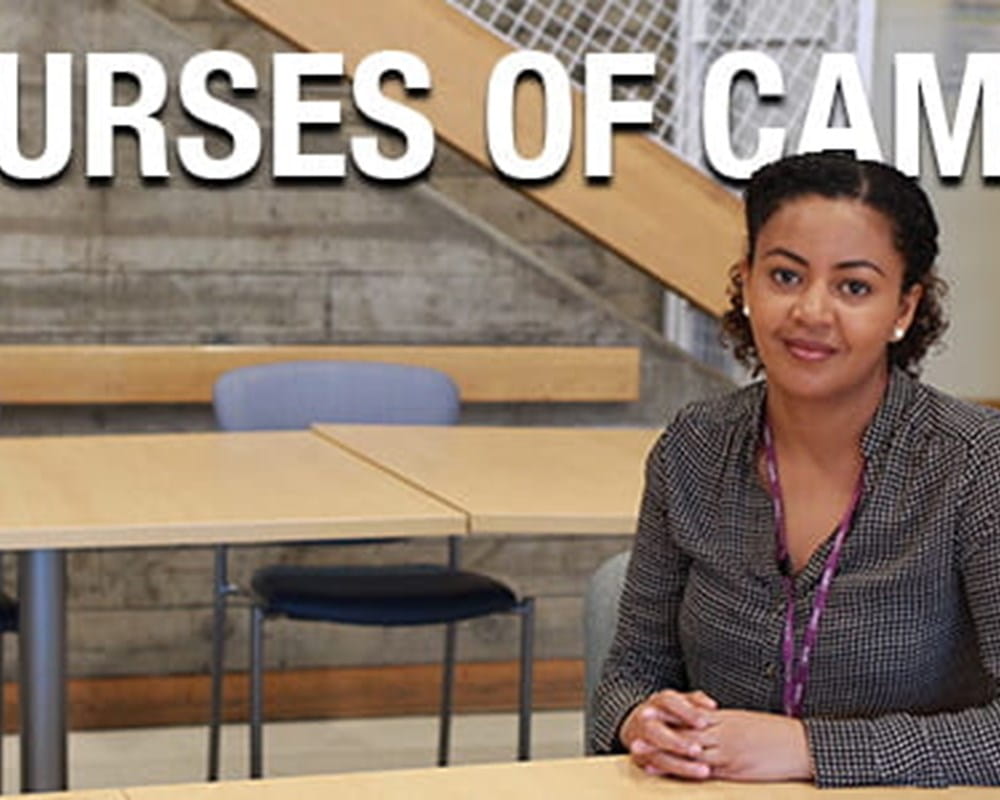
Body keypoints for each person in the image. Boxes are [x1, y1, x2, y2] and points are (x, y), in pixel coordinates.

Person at [590, 151, 1000, 787]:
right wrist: (643, 720)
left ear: (904, 309)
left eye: (854, 287)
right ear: (747, 282)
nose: (812, 311)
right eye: (785, 276)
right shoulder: (693, 449)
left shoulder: (974, 463)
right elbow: (629, 674)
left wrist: (812, 748)